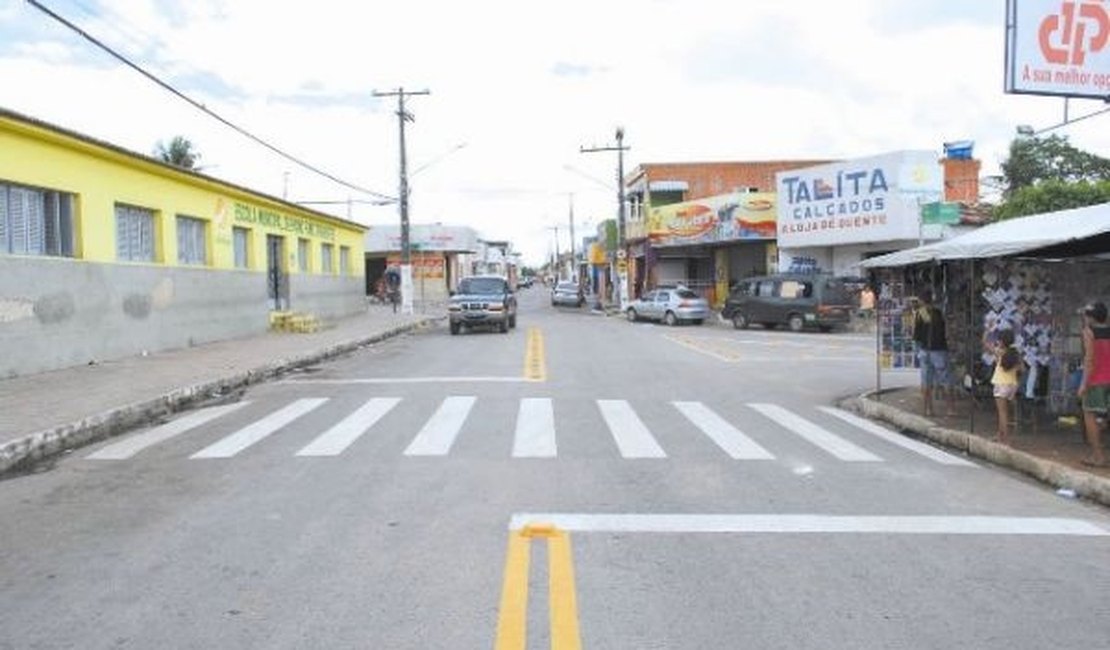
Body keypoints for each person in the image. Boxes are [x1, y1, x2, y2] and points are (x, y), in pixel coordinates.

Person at [911, 289, 954, 417]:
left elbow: (916, 335)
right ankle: (950, 409)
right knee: (946, 380)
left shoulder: (920, 313)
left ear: (921, 300)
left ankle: (928, 409)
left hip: (925, 350)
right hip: (939, 350)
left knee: (926, 381)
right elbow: (945, 331)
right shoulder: (939, 313)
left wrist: (917, 351)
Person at [1078, 301, 1110, 467]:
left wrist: (1083, 384)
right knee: (1102, 417)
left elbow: (1089, 359)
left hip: (1096, 380)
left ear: (1091, 317)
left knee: (1089, 415)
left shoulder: (1089, 332)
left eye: (1086, 315)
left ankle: (1098, 456)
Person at [988, 328, 1021, 445]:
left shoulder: (1000, 352)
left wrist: (988, 330)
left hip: (1000, 383)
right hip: (1012, 384)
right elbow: (1020, 368)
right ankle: (1000, 434)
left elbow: (985, 344)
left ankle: (1005, 439)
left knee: (1002, 413)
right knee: (1007, 411)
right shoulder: (1015, 353)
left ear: (1002, 341)